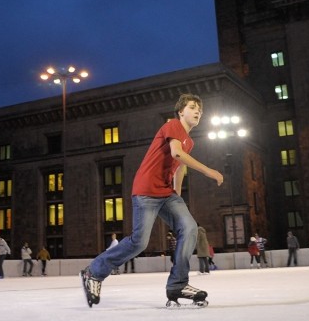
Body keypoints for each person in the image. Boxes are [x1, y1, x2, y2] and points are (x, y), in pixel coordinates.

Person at [80, 93, 224, 307]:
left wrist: (176, 192)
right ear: (181, 111)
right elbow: (176, 154)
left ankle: (177, 284)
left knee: (190, 228)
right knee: (139, 242)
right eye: (192, 107)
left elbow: (179, 165)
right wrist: (208, 170)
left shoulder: (189, 141)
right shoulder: (173, 125)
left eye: (200, 110)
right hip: (146, 189)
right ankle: (94, 272)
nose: (197, 112)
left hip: (167, 193)